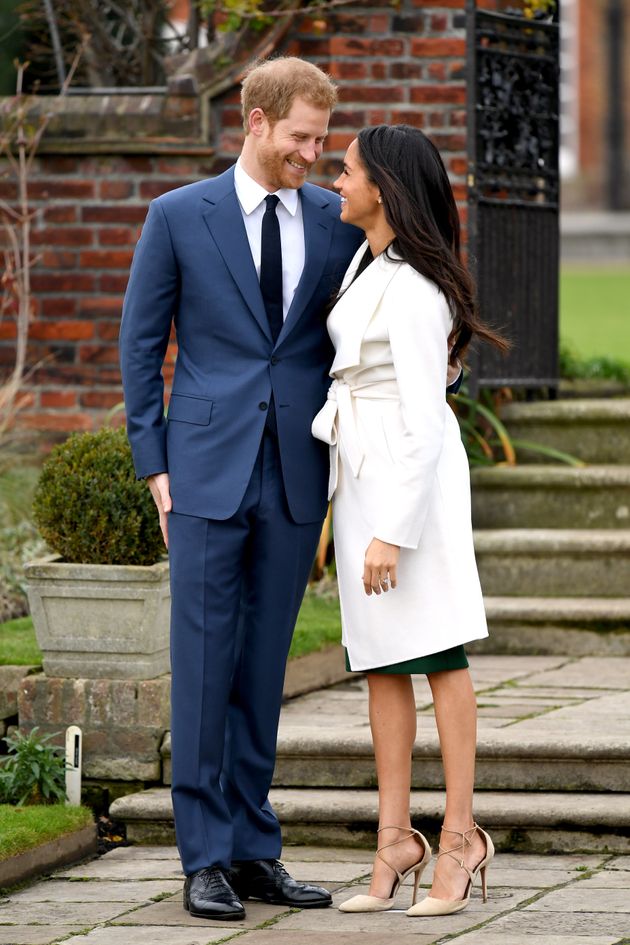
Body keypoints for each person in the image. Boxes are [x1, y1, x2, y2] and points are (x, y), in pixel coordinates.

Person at [119, 57, 364, 921]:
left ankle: (258, 850)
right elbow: (141, 346)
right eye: (301, 137)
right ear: (254, 124)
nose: (313, 154)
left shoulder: (339, 219)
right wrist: (154, 464)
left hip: (297, 473)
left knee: (263, 669)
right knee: (203, 665)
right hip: (202, 473)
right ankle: (204, 858)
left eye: (323, 139)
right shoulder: (178, 217)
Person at [312, 125, 508, 918]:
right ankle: (395, 837)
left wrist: (392, 527)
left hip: (409, 483)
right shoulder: (369, 263)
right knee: (382, 661)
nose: (336, 180)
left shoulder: (420, 288)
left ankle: (460, 834)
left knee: (439, 656)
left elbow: (427, 419)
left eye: (347, 169)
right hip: (363, 476)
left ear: (384, 188)